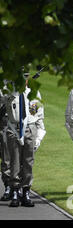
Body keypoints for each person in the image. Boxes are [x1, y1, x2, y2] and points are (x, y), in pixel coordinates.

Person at [5, 73, 46, 207]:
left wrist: (39, 137)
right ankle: (15, 191)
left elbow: (39, 115)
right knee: (15, 162)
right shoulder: (9, 92)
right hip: (14, 129)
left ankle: (26, 191)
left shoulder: (34, 92)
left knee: (28, 162)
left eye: (25, 78)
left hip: (30, 129)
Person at [0, 89, 11, 201]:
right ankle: (8, 186)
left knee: (21, 157)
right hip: (4, 121)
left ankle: (19, 187)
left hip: (20, 123)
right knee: (6, 156)